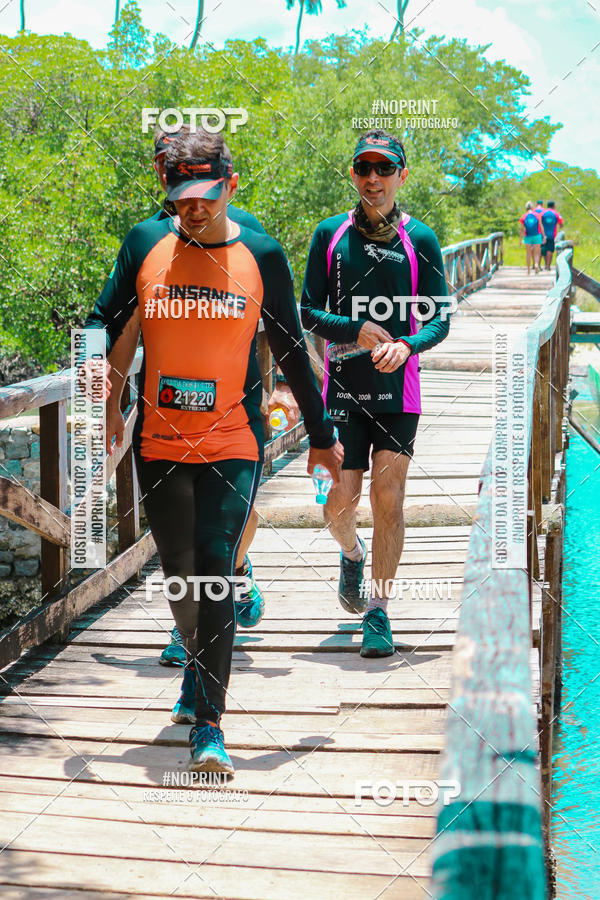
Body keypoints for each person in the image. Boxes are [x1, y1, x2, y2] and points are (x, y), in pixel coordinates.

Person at [83, 127, 343, 773]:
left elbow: (291, 351)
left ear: (230, 185)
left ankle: (209, 726)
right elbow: (100, 320)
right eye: (178, 196)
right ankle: (196, 672)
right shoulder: (147, 243)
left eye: (204, 195)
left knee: (218, 568)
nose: (192, 208)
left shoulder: (261, 253)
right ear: (164, 188)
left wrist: (323, 438)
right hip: (159, 437)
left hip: (233, 439)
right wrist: (100, 397)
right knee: (181, 575)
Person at [301, 129, 450, 659]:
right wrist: (356, 329)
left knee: (389, 498)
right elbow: (306, 312)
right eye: (364, 168)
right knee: (336, 500)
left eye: (384, 169)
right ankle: (351, 553)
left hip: (397, 391)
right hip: (340, 388)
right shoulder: (329, 235)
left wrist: (407, 345)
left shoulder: (421, 240)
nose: (373, 178)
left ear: (401, 177)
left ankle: (379, 611)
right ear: (353, 175)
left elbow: (440, 320)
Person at [519, 201, 544, 274]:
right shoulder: (537, 215)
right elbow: (540, 226)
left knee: (528, 253)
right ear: (532, 207)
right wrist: (544, 236)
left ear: (526, 208)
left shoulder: (524, 216)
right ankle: (536, 264)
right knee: (537, 253)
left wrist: (520, 240)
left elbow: (522, 229)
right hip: (537, 235)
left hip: (527, 236)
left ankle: (528, 270)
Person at [540, 200, 564, 270]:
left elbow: (538, 222)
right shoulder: (556, 214)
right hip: (552, 235)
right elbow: (561, 224)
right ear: (554, 206)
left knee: (543, 249)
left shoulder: (543, 213)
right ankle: (548, 266)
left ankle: (543, 264)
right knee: (550, 250)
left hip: (543, 235)